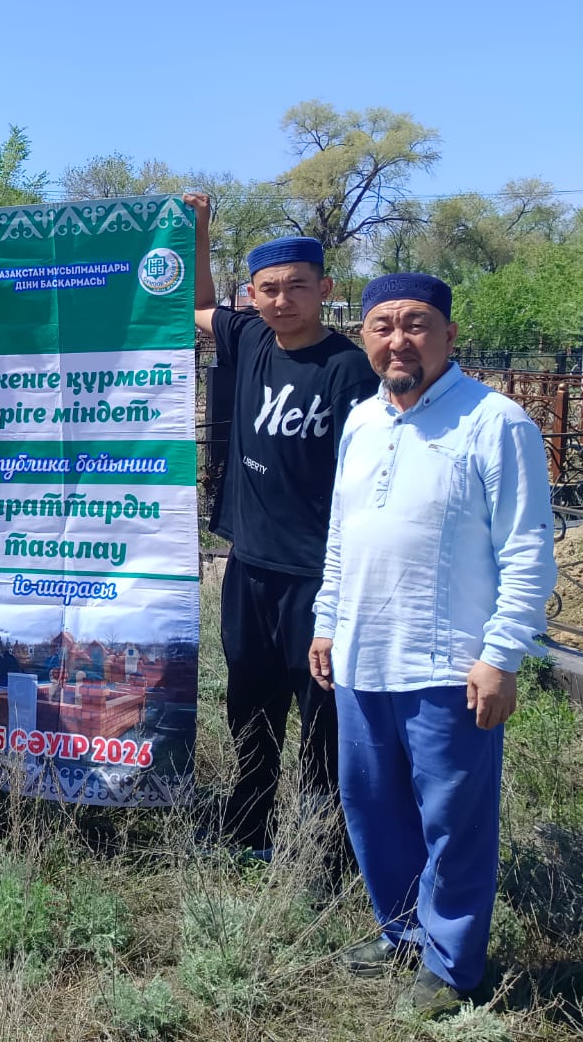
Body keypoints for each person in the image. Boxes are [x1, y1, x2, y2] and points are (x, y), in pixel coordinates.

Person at [311, 273, 555, 1018]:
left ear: (448, 334)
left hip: (450, 665)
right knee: (372, 807)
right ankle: (402, 933)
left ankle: (452, 964)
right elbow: (342, 534)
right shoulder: (362, 421)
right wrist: (326, 619)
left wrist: (501, 654)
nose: (398, 341)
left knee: (454, 822)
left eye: (415, 324)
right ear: (364, 337)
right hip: (362, 657)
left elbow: (528, 549)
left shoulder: (495, 422)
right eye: (382, 326)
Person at [188, 191, 378, 861]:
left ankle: (323, 850)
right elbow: (197, 304)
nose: (281, 300)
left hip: (317, 576)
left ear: (323, 289)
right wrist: (201, 229)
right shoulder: (249, 339)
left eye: (296, 286)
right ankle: (249, 831)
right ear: (252, 294)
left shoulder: (349, 369)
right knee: (249, 704)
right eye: (267, 289)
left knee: (322, 717)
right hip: (249, 565)